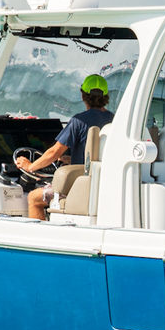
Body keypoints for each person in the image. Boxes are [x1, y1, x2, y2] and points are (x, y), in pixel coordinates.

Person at [16, 73, 114, 220]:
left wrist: (30, 166)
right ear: (106, 96)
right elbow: (98, 153)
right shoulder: (114, 120)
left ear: (83, 96)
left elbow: (54, 153)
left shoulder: (78, 121)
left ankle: (39, 234)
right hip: (102, 182)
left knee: (33, 198)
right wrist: (73, 159)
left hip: (79, 185)